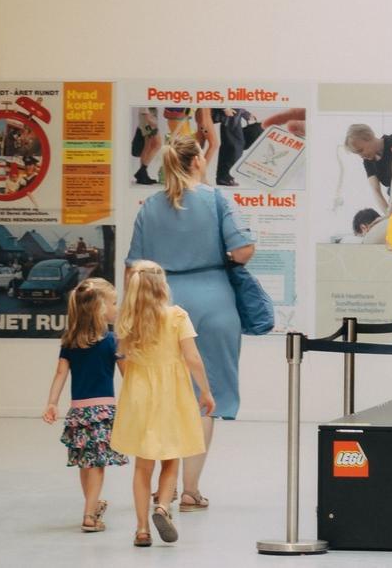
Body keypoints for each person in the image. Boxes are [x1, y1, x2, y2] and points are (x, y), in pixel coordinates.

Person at [125, 135, 254, 512]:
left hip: (161, 302)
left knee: (161, 392)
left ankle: (160, 484)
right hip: (213, 300)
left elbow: (133, 266)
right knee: (205, 396)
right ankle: (189, 490)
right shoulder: (216, 200)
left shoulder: (149, 206)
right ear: (198, 161)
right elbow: (243, 250)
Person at [110, 260, 215, 547]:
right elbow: (192, 358)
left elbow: (123, 359)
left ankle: (142, 529)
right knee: (171, 457)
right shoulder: (177, 316)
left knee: (142, 466)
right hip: (173, 393)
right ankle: (162, 506)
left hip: (140, 392)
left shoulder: (127, 320)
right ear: (162, 285)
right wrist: (205, 391)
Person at [42, 278, 128, 533]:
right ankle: (89, 514)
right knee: (97, 464)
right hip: (103, 411)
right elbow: (128, 375)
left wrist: (52, 403)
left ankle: (92, 505)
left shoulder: (70, 341)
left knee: (84, 462)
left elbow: (60, 374)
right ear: (100, 308)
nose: (116, 307)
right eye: (113, 303)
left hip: (78, 412)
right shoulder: (112, 341)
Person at [344, 124, 392, 216]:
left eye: (361, 150)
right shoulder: (368, 162)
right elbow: (376, 191)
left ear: (369, 137)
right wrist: (388, 214)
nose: (361, 156)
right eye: (357, 153)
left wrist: (390, 212)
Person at [134, 107, 162, 185]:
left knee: (148, 147)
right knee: (156, 145)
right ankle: (142, 172)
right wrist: (151, 121)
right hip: (148, 121)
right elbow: (144, 108)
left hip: (149, 119)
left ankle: (142, 174)